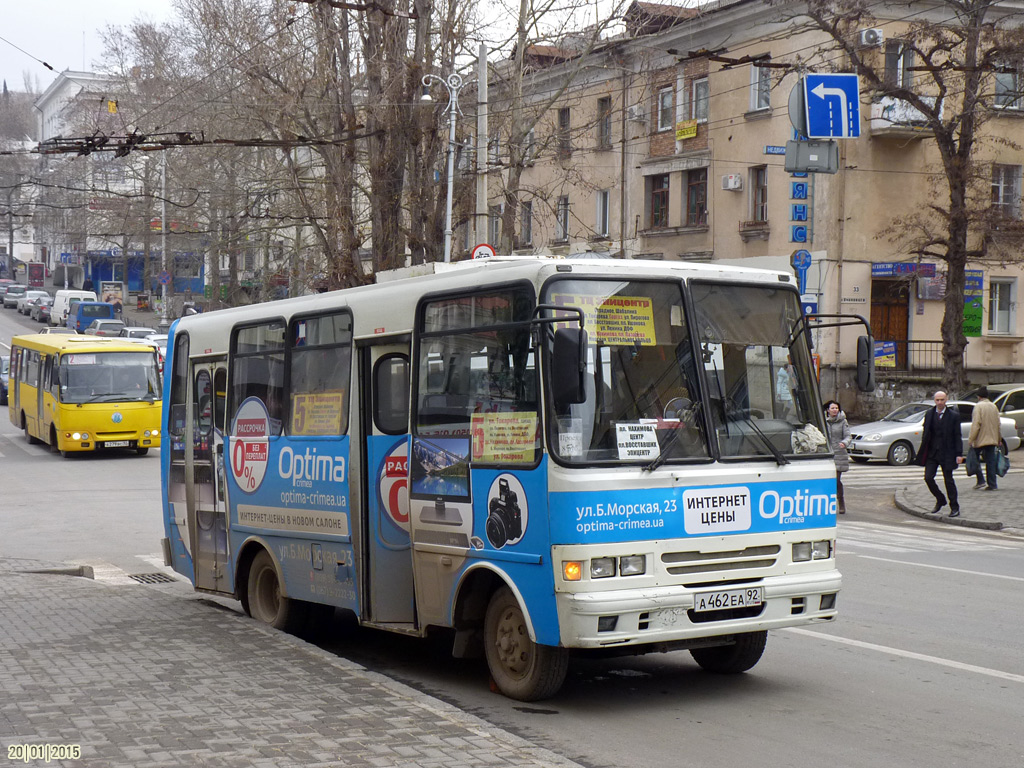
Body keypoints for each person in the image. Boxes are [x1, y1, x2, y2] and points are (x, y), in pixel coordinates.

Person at [916, 390, 964, 516]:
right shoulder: (930, 413)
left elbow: (957, 435)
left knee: (948, 480)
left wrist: (959, 454)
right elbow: (926, 433)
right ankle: (940, 499)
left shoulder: (953, 416)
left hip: (947, 453)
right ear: (934, 401)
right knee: (928, 478)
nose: (940, 402)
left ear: (946, 400)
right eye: (937, 400)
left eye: (942, 400)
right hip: (932, 453)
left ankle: (954, 507)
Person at [968, 387, 1001, 491]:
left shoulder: (978, 407)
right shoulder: (993, 406)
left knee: (974, 458)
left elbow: (976, 424)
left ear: (979, 396)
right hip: (992, 438)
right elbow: (998, 424)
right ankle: (992, 484)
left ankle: (980, 480)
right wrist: (999, 438)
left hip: (980, 438)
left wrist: (971, 439)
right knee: (990, 461)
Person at [823, 400, 851, 514]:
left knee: (836, 479)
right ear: (827, 410)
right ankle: (827, 503)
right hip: (826, 454)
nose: (835, 410)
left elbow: (848, 436)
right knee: (827, 480)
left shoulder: (843, 421)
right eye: (832, 408)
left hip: (839, 453)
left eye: (836, 408)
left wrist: (844, 443)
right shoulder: (823, 421)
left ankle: (841, 502)